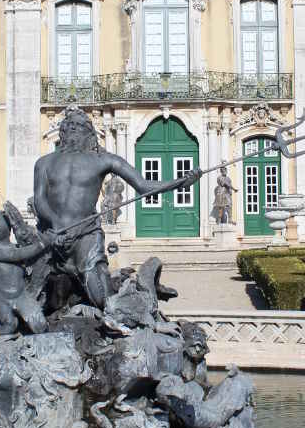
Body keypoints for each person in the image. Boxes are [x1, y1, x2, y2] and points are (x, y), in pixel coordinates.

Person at [32, 107, 201, 308]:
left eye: (79, 126)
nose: (74, 130)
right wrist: (56, 224)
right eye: (70, 126)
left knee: (103, 300)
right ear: (63, 131)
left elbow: (143, 186)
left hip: (85, 236)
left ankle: (142, 291)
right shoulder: (44, 163)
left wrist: (180, 182)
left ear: (89, 133)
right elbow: (39, 200)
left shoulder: (104, 160)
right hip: (52, 235)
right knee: (41, 299)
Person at [0, 205, 53, 337]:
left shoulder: (14, 246)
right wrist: (42, 244)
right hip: (2, 297)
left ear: (7, 223)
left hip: (21, 295)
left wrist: (48, 239)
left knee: (40, 325)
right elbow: (18, 255)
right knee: (9, 325)